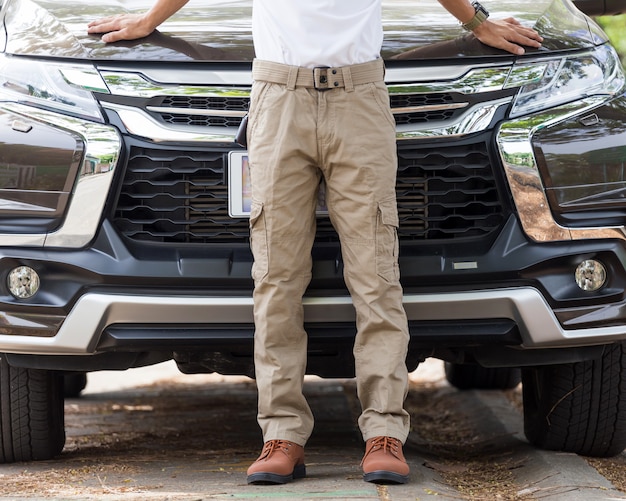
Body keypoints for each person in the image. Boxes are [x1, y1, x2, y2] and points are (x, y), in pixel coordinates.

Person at [88, 0, 542, 486]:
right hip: (279, 95)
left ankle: (384, 432)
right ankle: (281, 434)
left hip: (359, 96)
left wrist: (476, 20)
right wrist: (148, 21)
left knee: (376, 275)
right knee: (277, 277)